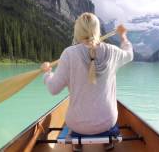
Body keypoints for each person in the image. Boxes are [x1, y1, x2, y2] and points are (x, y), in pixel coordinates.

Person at [41, 12, 133, 151]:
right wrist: (123, 36)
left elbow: (53, 89)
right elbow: (129, 55)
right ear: (97, 30)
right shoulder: (112, 51)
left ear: (77, 32)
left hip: (78, 125)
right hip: (106, 123)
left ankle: (77, 144)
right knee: (109, 118)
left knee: (74, 122)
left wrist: (47, 73)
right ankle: (108, 142)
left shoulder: (69, 54)